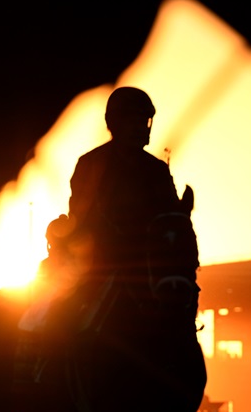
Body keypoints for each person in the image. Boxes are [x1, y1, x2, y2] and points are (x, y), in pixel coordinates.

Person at [67, 87, 179, 283]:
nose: (139, 128)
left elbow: (171, 221)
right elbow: (80, 218)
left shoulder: (157, 170)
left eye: (143, 121)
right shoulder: (90, 165)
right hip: (98, 267)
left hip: (148, 267)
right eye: (132, 121)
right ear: (115, 123)